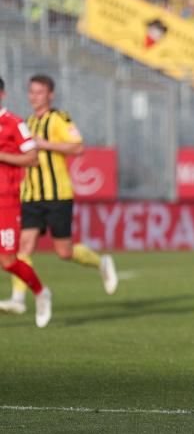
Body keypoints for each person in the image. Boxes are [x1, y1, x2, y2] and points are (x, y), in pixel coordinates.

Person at [0, 74, 116, 317]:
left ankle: (100, 262)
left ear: (50, 95)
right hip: (30, 194)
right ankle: (19, 298)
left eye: (39, 92)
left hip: (57, 194)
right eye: (31, 92)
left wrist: (45, 144)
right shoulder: (27, 122)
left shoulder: (58, 119)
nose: (34, 97)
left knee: (64, 251)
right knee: (24, 246)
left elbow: (78, 146)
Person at [0, 78, 52, 327]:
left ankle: (41, 292)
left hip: (6, 201)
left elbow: (33, 158)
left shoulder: (14, 124)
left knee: (8, 261)